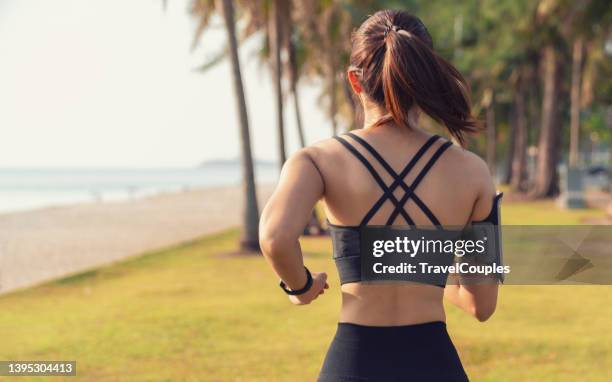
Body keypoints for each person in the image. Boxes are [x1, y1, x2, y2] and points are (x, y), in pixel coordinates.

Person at [259, 9, 501, 382]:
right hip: (435, 365)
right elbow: (480, 305)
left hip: (354, 363)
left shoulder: (319, 160)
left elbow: (275, 237)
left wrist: (302, 287)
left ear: (355, 82)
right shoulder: (472, 171)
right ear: (426, 79)